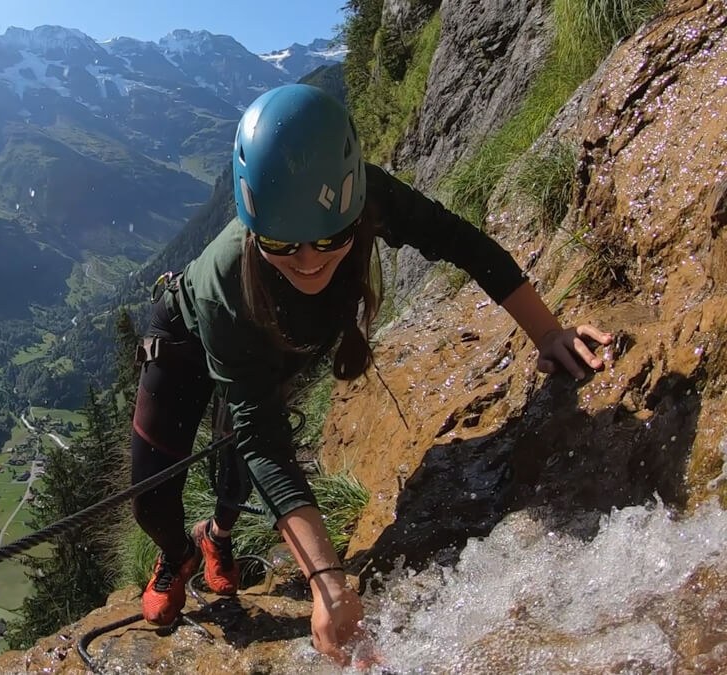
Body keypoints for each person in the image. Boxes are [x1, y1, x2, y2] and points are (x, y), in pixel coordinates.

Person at [128, 84, 612, 664]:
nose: (309, 261)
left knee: (237, 463)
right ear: (255, 225)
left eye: (330, 239)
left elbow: (460, 243)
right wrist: (330, 585)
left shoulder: (364, 197)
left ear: (353, 207)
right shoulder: (227, 281)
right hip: (185, 339)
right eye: (284, 243)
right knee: (151, 500)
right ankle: (176, 553)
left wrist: (547, 332)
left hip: (264, 342)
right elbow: (265, 436)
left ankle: (217, 539)